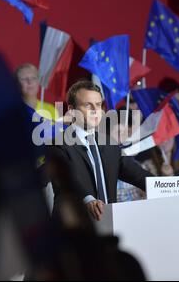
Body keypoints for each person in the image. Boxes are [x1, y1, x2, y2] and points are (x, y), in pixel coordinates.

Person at [47, 80, 153, 221]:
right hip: (74, 226)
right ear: (72, 110)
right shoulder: (58, 143)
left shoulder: (109, 143)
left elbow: (137, 175)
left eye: (98, 105)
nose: (95, 111)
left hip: (108, 223)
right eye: (87, 105)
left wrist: (168, 186)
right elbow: (66, 180)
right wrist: (88, 200)